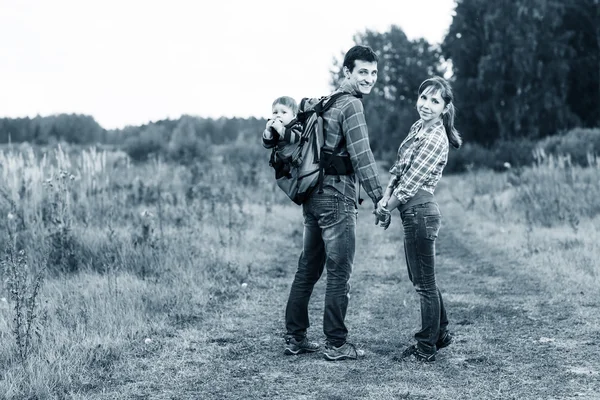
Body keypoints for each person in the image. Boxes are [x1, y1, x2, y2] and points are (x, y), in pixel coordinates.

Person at [283, 45, 384, 361]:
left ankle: (295, 338)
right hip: (338, 199)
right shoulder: (351, 105)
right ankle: (336, 344)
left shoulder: (324, 103)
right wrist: (380, 198)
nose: (369, 78)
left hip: (312, 197)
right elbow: (361, 155)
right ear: (348, 73)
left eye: (373, 72)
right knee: (339, 272)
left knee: (308, 269)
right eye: (362, 72)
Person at [374, 76, 462, 362]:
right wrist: (386, 197)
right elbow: (399, 168)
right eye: (424, 97)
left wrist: (387, 208)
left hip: (420, 212)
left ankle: (426, 347)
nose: (426, 105)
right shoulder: (418, 128)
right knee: (422, 278)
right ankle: (441, 333)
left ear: (445, 108)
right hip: (411, 211)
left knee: (423, 283)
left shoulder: (436, 137)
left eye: (434, 101)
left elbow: (411, 182)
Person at [261, 96, 303, 179]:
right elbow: (267, 145)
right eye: (275, 113)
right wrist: (268, 131)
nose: (278, 116)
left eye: (284, 112)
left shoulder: (296, 125)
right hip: (282, 166)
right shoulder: (275, 127)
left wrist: (281, 129)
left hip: (297, 166)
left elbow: (295, 138)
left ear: (294, 115)